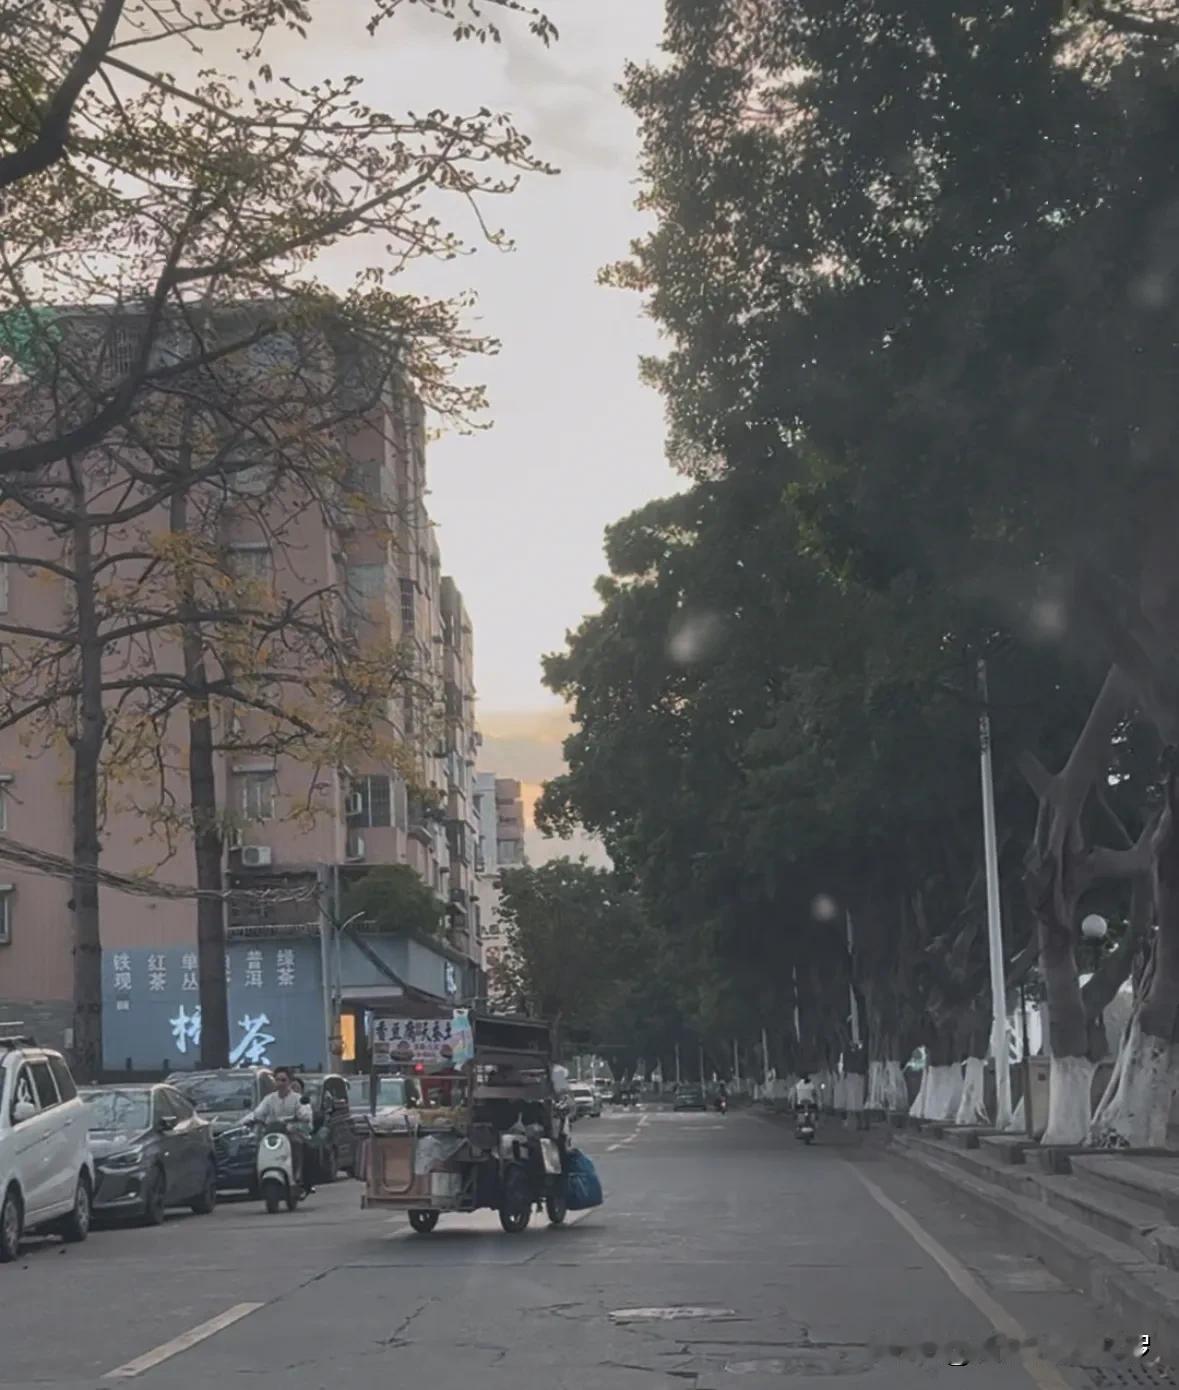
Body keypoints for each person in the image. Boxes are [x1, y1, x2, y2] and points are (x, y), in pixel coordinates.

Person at [246, 1067, 313, 1194]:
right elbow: (258, 1113)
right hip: (272, 1135)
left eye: (283, 1080)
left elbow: (306, 1114)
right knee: (256, 1147)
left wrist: (298, 1119)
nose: (280, 1083)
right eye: (277, 1080)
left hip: (292, 1133)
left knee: (297, 1144)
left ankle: (297, 1175)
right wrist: (250, 1120)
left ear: (289, 1082)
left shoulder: (298, 1099)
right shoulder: (269, 1099)